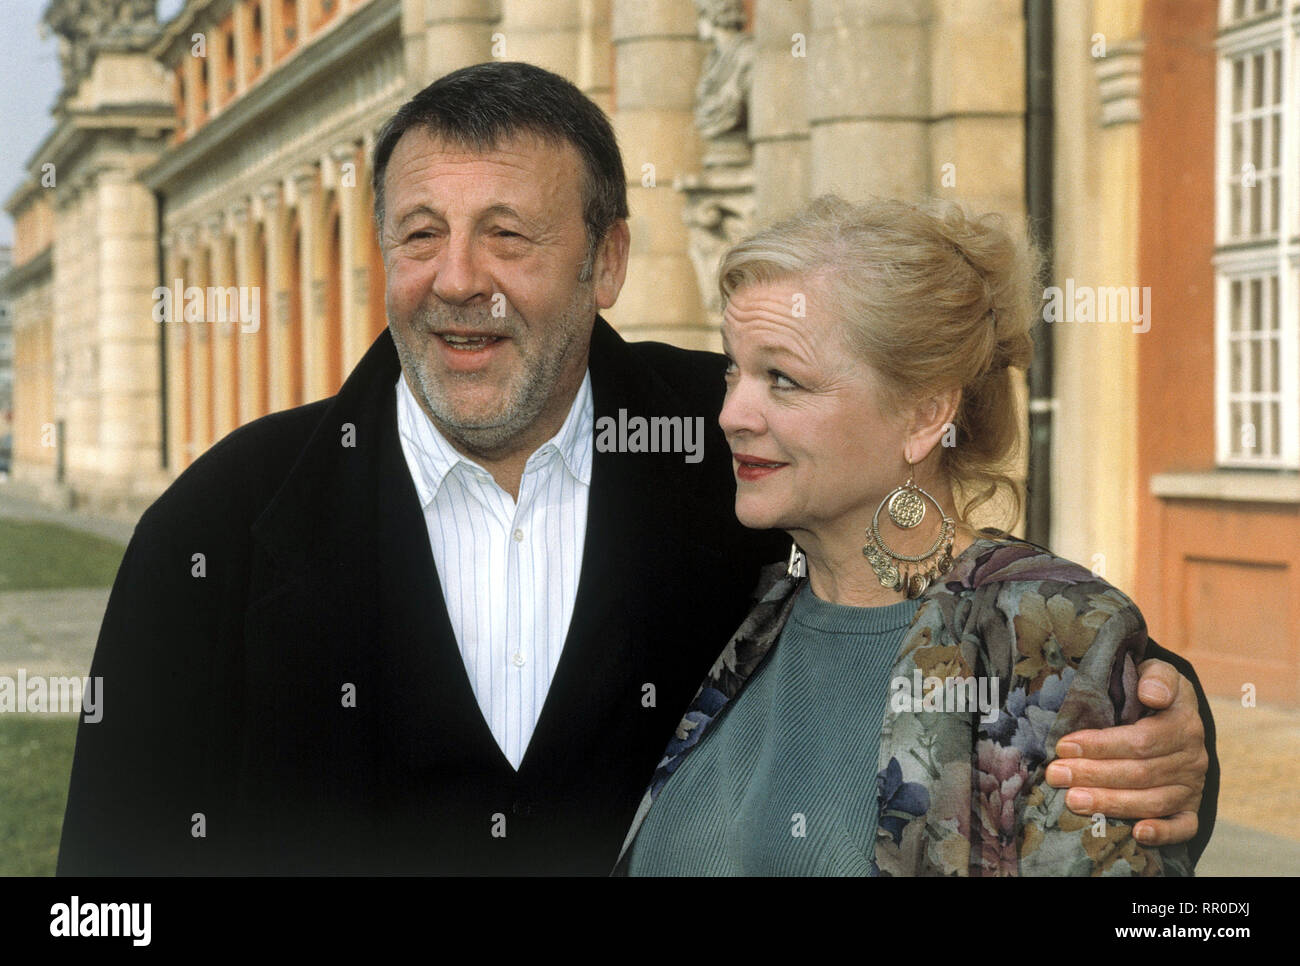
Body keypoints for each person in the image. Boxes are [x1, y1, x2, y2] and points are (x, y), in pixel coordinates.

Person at [58, 63, 1215, 876]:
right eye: (419, 234)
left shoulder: (732, 449)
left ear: (606, 260)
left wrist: (1168, 726)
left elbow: (987, 609)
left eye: (508, 234)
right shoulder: (216, 525)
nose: (457, 277)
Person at [617, 195, 1205, 876]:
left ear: (925, 415)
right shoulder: (756, 616)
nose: (731, 414)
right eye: (733, 370)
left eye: (783, 378)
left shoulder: (1045, 635)